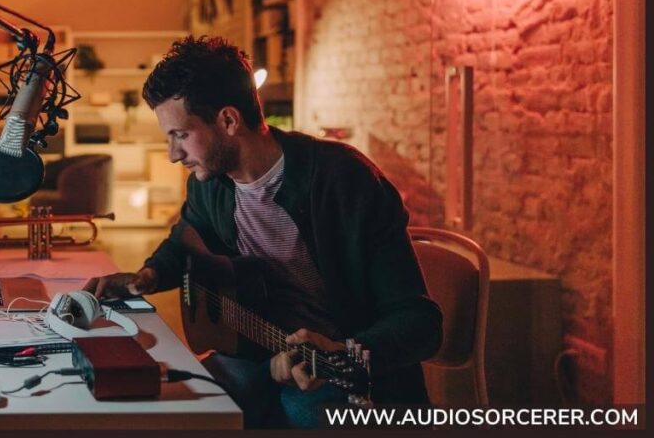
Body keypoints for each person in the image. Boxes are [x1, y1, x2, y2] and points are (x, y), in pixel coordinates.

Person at [83, 35, 442, 429]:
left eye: (181, 135)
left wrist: (342, 354)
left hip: (349, 379)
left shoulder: (344, 181)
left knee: (301, 409)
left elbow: (420, 322)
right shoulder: (209, 184)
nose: (173, 154)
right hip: (258, 351)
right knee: (182, 404)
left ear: (229, 120)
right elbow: (186, 239)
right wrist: (146, 277)